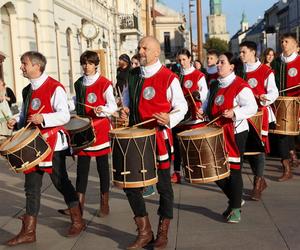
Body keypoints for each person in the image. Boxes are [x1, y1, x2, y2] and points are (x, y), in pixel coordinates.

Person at [5, 51, 85, 246]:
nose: (21, 67)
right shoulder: (27, 90)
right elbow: (25, 115)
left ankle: (77, 220)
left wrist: (45, 118)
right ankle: (29, 231)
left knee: (60, 181)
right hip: (33, 145)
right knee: (31, 187)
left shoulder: (55, 87)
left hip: (52, 143)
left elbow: (64, 115)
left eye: (24, 64)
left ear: (36, 66)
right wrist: (15, 121)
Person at [120, 36, 187, 249]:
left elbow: (181, 107)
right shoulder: (131, 76)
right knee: (131, 186)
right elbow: (126, 102)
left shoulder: (169, 77)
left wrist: (170, 118)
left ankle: (163, 232)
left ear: (156, 52)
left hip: (158, 138)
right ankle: (144, 230)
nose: (140, 51)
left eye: (145, 48)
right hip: (137, 139)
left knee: (164, 188)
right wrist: (124, 111)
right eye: (139, 47)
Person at [58, 50, 118, 217]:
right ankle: (79, 206)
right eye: (84, 63)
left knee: (102, 168)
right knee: (81, 169)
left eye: (90, 63)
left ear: (95, 64)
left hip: (100, 129)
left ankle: (104, 204)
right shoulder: (78, 83)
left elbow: (112, 106)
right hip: (83, 130)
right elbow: (74, 105)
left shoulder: (104, 83)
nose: (87, 66)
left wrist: (103, 109)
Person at [201, 52, 257, 223]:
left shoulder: (241, 85)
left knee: (234, 171)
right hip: (217, 132)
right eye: (217, 62)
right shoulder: (214, 84)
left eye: (222, 62)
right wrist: (202, 110)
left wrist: (234, 112)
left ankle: (235, 209)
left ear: (232, 66)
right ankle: (236, 199)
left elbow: (252, 107)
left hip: (236, 132)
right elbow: (207, 102)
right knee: (214, 171)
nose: (218, 65)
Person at [239, 41, 278, 200]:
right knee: (245, 149)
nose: (241, 55)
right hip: (242, 115)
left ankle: (257, 183)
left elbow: (273, 92)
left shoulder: (265, 71)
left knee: (258, 149)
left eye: (244, 52)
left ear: (253, 52)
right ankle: (257, 180)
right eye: (240, 52)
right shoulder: (239, 72)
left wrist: (265, 98)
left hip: (259, 115)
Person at [171, 48, 208, 184]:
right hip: (179, 117)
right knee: (177, 146)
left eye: (184, 60)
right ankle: (177, 173)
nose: (182, 62)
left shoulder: (198, 75)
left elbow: (205, 94)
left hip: (194, 116)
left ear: (190, 59)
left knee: (194, 146)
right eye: (179, 60)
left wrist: (197, 95)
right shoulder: (175, 76)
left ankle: (198, 171)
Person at [271, 32, 300, 181]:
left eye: (287, 41)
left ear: (295, 45)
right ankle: (286, 168)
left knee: (292, 134)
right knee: (281, 135)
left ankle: (293, 153)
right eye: (282, 41)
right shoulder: (276, 63)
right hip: (280, 104)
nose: (283, 44)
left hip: (297, 104)